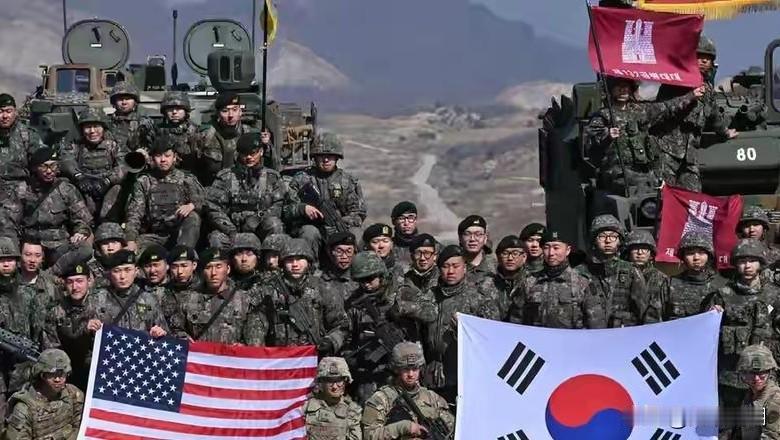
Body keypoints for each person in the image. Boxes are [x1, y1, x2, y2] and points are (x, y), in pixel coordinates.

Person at [586, 76, 705, 195]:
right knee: (644, 185)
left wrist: (691, 96)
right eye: (618, 87)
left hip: (643, 169)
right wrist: (607, 135)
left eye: (625, 86)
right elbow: (590, 144)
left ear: (631, 89)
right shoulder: (603, 116)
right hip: (617, 172)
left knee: (664, 185)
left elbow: (667, 107)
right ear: (611, 90)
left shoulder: (640, 111)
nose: (622, 90)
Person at [651, 35, 738, 191]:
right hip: (667, 152)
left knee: (693, 197)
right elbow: (662, 110)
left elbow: (714, 116)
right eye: (700, 56)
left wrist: (725, 132)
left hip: (689, 156)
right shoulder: (674, 82)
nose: (704, 61)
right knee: (664, 195)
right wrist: (690, 96)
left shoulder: (708, 89)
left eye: (708, 58)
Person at [419, 245, 500, 404]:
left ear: (465, 268)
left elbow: (492, 338)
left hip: (465, 375)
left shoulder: (478, 298)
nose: (450, 271)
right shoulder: (430, 296)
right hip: (432, 375)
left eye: (455, 266)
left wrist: (463, 332)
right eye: (445, 266)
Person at [704, 239, 780, 409]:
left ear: (761, 263)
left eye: (752, 261)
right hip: (730, 376)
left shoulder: (774, 294)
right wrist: (712, 315)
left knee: (762, 420)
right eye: (742, 261)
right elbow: (708, 335)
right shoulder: (723, 294)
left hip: (765, 377)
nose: (747, 266)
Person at [252, 238, 349, 354]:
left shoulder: (322, 288)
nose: (295, 265)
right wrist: (259, 354)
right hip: (279, 357)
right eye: (290, 260)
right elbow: (256, 325)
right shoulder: (268, 290)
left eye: (300, 259)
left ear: (308, 262)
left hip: (314, 355)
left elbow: (341, 324)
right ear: (283, 263)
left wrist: (331, 341)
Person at [286, 132, 367, 254]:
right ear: (314, 157)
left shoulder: (348, 181)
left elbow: (359, 212)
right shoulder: (302, 179)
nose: (326, 160)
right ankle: (309, 264)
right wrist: (302, 209)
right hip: (313, 229)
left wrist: (341, 222)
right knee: (309, 232)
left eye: (330, 156)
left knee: (357, 233)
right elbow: (286, 209)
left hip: (341, 229)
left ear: (337, 157)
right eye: (321, 156)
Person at [205, 132, 286, 250]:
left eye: (253, 153)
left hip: (260, 227)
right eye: (244, 154)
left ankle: (270, 259)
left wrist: (258, 218)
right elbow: (213, 206)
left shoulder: (272, 177)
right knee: (216, 238)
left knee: (274, 225)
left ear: (261, 152)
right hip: (232, 229)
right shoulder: (225, 177)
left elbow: (278, 205)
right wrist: (230, 229)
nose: (249, 157)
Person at [167, 247, 264, 345]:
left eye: (218, 267)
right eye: (208, 267)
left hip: (232, 354)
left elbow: (255, 337)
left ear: (228, 269)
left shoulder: (245, 300)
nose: (213, 273)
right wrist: (184, 339)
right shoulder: (188, 299)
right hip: (201, 353)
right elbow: (175, 328)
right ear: (202, 271)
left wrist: (244, 346)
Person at [344, 251, 405, 404]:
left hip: (401, 367)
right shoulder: (355, 301)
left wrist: (402, 309)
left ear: (380, 275)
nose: (366, 284)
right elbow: (346, 329)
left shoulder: (398, 292)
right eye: (361, 280)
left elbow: (428, 313)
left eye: (370, 279)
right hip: (370, 371)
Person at [124, 136, 204, 251]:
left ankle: (182, 256)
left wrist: (192, 205)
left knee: (193, 217)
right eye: (158, 156)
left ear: (174, 157)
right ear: (152, 158)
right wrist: (130, 240)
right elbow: (134, 213)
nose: (163, 160)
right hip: (154, 236)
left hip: (180, 235)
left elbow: (204, 200)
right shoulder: (144, 181)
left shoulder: (186, 179)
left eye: (167, 156)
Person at [361, 341, 454, 440]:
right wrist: (402, 427)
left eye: (415, 369)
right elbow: (369, 435)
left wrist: (435, 417)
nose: (411, 374)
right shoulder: (381, 399)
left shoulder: (433, 398)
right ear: (397, 369)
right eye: (406, 369)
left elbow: (453, 429)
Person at [20, 147, 93, 268]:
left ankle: (54, 273)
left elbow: (82, 218)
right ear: (35, 168)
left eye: (53, 166)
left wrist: (79, 232)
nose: (49, 171)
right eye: (44, 166)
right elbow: (11, 220)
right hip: (30, 243)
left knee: (84, 249)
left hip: (58, 245)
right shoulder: (23, 189)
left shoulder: (66, 189)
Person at [509, 230, 594, 329]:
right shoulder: (529, 282)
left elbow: (595, 322)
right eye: (546, 248)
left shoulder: (582, 283)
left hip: (571, 338)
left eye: (556, 248)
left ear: (567, 250)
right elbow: (516, 320)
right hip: (537, 338)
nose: (551, 253)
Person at [578, 215, 647, 328]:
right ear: (594, 240)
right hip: (590, 335)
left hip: (624, 334)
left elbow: (643, 312)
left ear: (619, 241)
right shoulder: (580, 272)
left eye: (613, 236)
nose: (608, 241)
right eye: (602, 236)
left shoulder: (631, 271)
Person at [59, 108, 125, 219]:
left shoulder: (113, 145)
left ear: (103, 128)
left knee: (117, 188)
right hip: (84, 188)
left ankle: (108, 221)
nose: (92, 131)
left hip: (107, 188)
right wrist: (79, 176)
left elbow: (124, 166)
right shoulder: (76, 145)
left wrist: (108, 180)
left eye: (96, 126)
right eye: (88, 127)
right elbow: (66, 161)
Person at [83, 249, 168, 336]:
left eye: (128, 270)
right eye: (117, 271)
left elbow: (165, 333)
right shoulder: (96, 298)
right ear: (110, 273)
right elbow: (79, 331)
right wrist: (87, 327)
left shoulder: (148, 299)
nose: (122, 276)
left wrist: (160, 332)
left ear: (136, 271)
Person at [3, 349, 84, 440]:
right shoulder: (24, 408)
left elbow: (82, 427)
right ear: (42, 375)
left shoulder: (73, 394)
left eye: (62, 374)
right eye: (52, 374)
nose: (57, 379)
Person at [42, 262, 95, 391]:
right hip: (65, 373)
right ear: (64, 284)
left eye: (79, 281)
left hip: (96, 371)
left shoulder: (100, 306)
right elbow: (51, 349)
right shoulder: (56, 311)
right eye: (70, 282)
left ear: (89, 281)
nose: (75, 287)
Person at [197, 93, 259, 186]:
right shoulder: (205, 136)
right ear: (218, 113)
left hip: (242, 188)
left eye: (235, 110)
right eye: (225, 111)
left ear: (240, 112)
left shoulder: (250, 134)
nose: (230, 115)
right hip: (212, 188)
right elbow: (194, 167)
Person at [664, 231, 727, 320]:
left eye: (701, 253)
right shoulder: (669, 284)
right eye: (690, 253)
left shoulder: (722, 285)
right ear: (683, 257)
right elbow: (654, 318)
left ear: (709, 256)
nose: (696, 258)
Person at [727, 344, 780, 439]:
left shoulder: (775, 400)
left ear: (770, 372)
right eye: (751, 373)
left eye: (761, 373)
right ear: (743, 373)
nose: (756, 379)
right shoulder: (749, 397)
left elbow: (771, 436)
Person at [303, 357, 362, 440]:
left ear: (345, 381)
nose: (335, 387)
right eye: (330, 381)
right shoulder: (306, 408)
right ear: (321, 382)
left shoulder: (352, 411)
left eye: (339, 381)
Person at [144, 91, 200, 173]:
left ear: (185, 110)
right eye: (170, 109)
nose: (174, 112)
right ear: (165, 111)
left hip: (187, 174)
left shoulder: (194, 131)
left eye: (179, 108)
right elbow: (148, 153)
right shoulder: (156, 130)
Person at [0, 93, 44, 193]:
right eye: (1, 111)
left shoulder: (27, 134)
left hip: (19, 189)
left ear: (15, 112)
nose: (5, 116)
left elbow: (40, 162)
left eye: (8, 111)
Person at [622, 230, 668, 323]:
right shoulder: (620, 275)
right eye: (635, 248)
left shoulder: (662, 279)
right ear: (628, 252)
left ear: (651, 254)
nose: (640, 253)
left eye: (644, 249)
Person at [483, 235, 527, 321]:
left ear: (524, 257)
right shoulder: (487, 284)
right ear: (498, 257)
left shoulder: (533, 283)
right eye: (505, 253)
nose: (510, 258)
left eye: (515, 254)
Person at [106, 81, 152, 153]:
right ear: (114, 102)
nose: (124, 102)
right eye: (120, 99)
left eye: (127, 99)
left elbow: (151, 147)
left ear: (135, 101)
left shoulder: (143, 122)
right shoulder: (106, 122)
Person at [318, 232, 359, 300]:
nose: (344, 257)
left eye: (349, 251)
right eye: (339, 252)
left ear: (354, 252)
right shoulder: (319, 279)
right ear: (330, 252)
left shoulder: (361, 277)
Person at [458, 215, 496, 283]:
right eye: (467, 234)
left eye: (478, 234)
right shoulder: (452, 267)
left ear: (485, 238)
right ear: (460, 238)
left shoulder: (496, 268)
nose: (472, 239)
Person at [390, 201, 419, 267]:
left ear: (416, 220)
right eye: (401, 218)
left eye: (411, 218)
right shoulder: (386, 248)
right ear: (393, 222)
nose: (406, 223)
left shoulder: (429, 246)